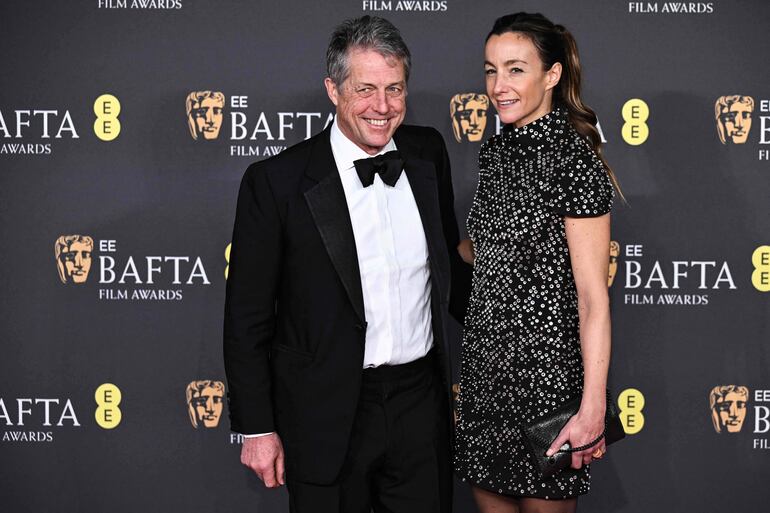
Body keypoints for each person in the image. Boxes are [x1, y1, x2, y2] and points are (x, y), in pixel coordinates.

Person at [224, 15, 469, 513]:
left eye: (395, 89)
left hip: (420, 405)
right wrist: (258, 426)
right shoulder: (276, 182)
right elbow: (247, 316)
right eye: (366, 90)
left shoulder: (427, 154)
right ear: (332, 90)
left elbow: (448, 271)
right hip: (323, 412)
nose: (383, 107)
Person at [454, 12, 621, 513]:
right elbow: (485, 248)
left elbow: (593, 299)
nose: (498, 86)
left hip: (546, 381)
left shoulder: (574, 159)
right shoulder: (496, 152)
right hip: (484, 376)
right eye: (490, 70)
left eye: (515, 70)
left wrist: (592, 408)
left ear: (552, 76)